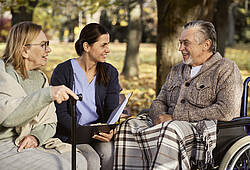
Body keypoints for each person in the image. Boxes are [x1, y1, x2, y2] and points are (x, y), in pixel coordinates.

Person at [113, 20, 243, 170]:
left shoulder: (226, 69)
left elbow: (227, 110)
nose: (180, 48)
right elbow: (159, 101)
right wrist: (159, 117)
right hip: (168, 124)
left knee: (170, 131)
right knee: (128, 126)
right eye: (180, 43)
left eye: (186, 43)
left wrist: (176, 118)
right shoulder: (176, 70)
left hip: (203, 130)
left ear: (206, 45)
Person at [0, 21, 87, 170]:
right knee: (60, 167)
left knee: (79, 161)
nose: (49, 50)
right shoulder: (4, 75)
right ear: (24, 51)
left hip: (30, 142)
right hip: (5, 144)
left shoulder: (40, 78)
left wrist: (35, 137)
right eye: (43, 45)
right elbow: (8, 117)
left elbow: (50, 121)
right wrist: (48, 93)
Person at [50, 23, 120, 170]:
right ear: (86, 46)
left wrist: (110, 130)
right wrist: (82, 132)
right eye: (103, 45)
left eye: (108, 45)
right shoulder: (63, 71)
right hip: (71, 134)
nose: (108, 50)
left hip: (97, 133)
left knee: (109, 151)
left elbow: (112, 110)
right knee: (92, 159)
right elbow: (60, 113)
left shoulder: (110, 72)